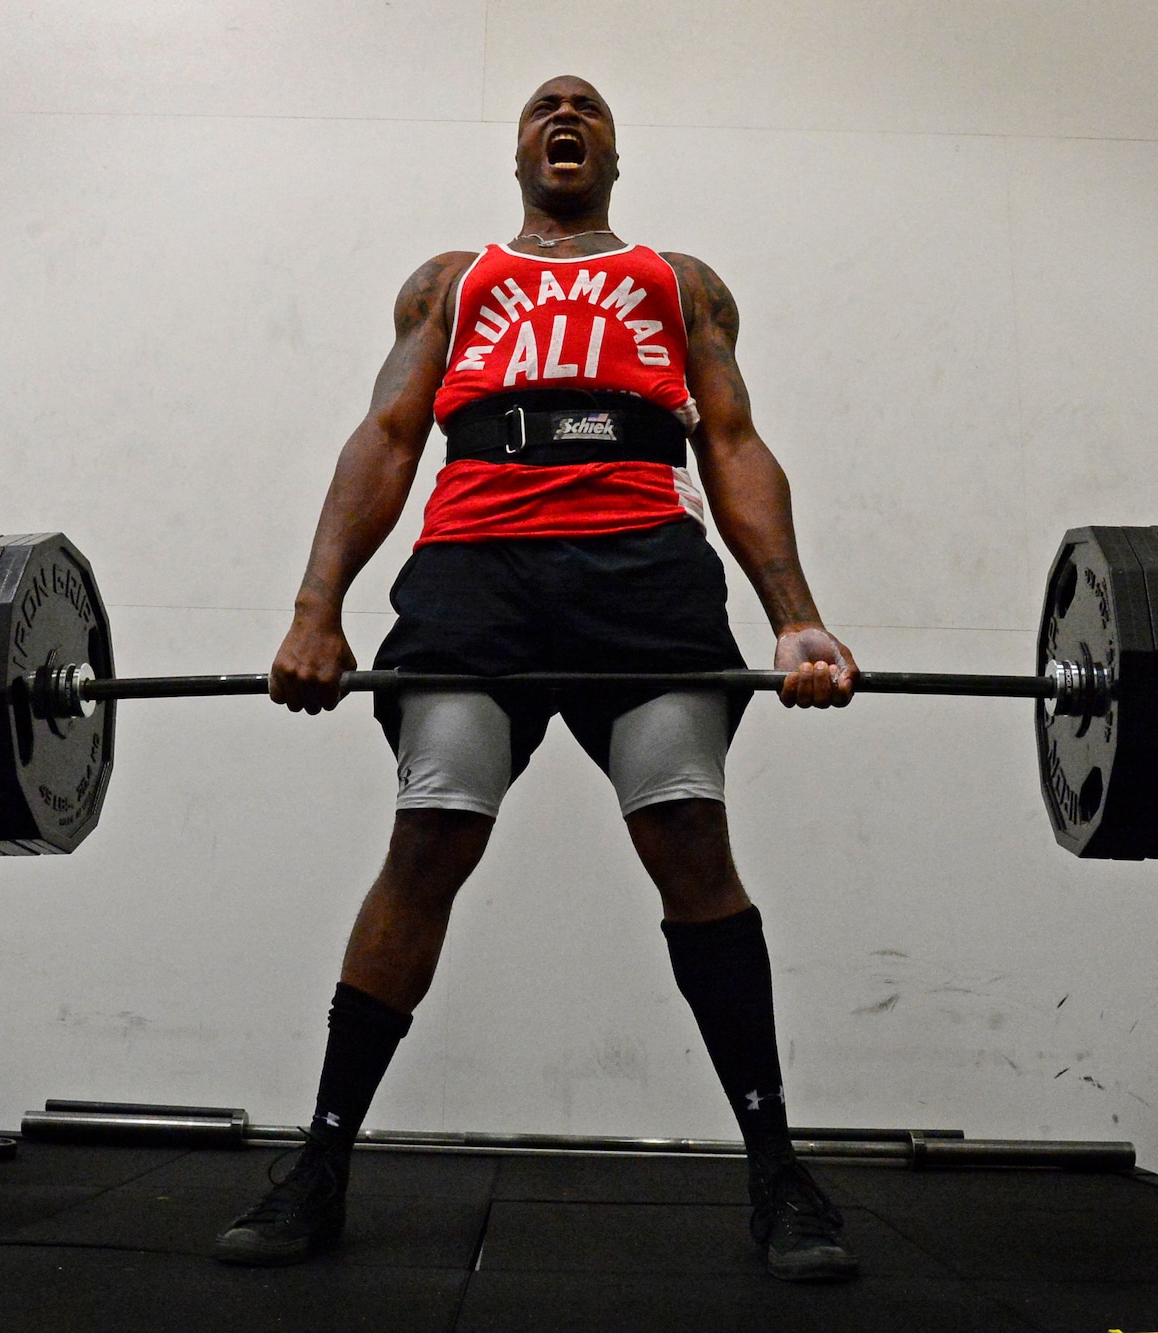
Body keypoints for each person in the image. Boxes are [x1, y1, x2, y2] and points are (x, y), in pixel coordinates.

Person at [213, 75, 861, 1282]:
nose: (564, 116)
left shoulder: (681, 281)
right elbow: (391, 437)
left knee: (687, 838)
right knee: (429, 838)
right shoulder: (453, 280)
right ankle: (320, 1160)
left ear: (614, 148)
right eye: (542, 107)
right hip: (473, 570)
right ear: (517, 148)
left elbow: (728, 441)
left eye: (588, 107)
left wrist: (796, 619)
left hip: (643, 571)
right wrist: (316, 611)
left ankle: (778, 1170)